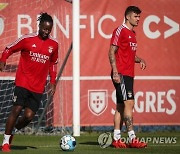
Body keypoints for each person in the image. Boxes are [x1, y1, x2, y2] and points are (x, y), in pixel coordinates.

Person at [0, 12, 59, 152]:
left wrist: (53, 81)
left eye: (49, 30)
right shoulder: (27, 39)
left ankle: (12, 131)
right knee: (17, 108)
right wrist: (3, 60)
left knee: (28, 116)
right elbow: (9, 48)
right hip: (23, 81)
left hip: (38, 86)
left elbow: (53, 62)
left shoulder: (54, 44)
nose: (46, 32)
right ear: (39, 26)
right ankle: (6, 142)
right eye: (44, 28)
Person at [108, 6, 147, 148]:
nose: (138, 19)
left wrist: (140, 59)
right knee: (129, 104)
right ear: (128, 16)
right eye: (136, 16)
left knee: (120, 107)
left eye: (139, 17)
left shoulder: (133, 33)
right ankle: (132, 138)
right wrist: (115, 71)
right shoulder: (120, 31)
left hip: (128, 74)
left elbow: (129, 55)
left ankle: (116, 139)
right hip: (121, 73)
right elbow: (111, 52)